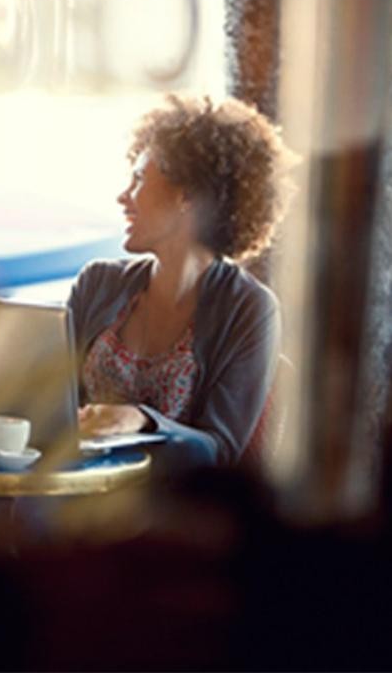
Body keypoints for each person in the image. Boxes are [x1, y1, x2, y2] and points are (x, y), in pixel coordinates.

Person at [69, 94, 295, 468]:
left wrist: (144, 421)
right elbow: (47, 408)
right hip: (76, 502)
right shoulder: (96, 283)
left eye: (139, 178)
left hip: (176, 519)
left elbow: (221, 450)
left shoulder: (249, 308)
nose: (123, 196)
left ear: (186, 194)